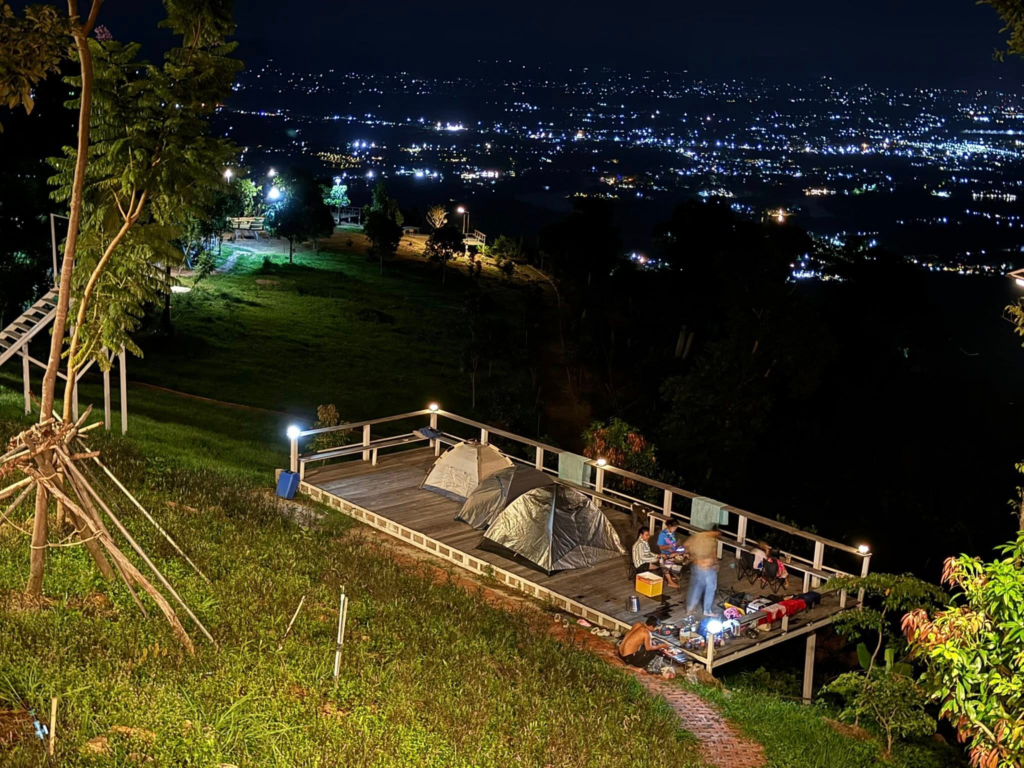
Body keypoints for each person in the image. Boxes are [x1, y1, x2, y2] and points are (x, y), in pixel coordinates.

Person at [685, 526, 721, 617]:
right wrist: (715, 563)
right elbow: (713, 553)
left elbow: (686, 545)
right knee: (710, 588)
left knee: (696, 587)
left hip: (696, 565)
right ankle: (707, 610)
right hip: (707, 567)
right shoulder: (710, 540)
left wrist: (693, 556)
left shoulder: (698, 536)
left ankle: (690, 608)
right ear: (714, 532)